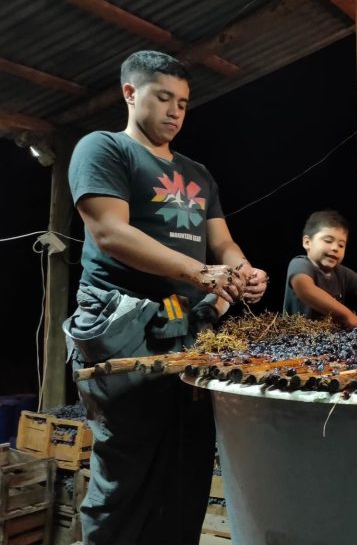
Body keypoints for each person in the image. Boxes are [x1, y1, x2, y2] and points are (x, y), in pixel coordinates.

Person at [63, 50, 268, 545]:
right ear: (130, 93)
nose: (175, 111)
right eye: (163, 98)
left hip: (188, 327)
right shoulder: (104, 149)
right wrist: (200, 272)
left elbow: (222, 242)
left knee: (186, 461)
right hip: (123, 328)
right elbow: (111, 233)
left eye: (183, 102)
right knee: (127, 467)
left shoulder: (198, 173)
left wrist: (243, 271)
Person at [283, 210, 357, 328]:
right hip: (298, 335)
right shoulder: (300, 264)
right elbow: (305, 289)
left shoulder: (341, 273)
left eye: (341, 245)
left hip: (332, 336)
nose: (335, 248)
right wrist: (348, 316)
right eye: (328, 241)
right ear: (307, 242)